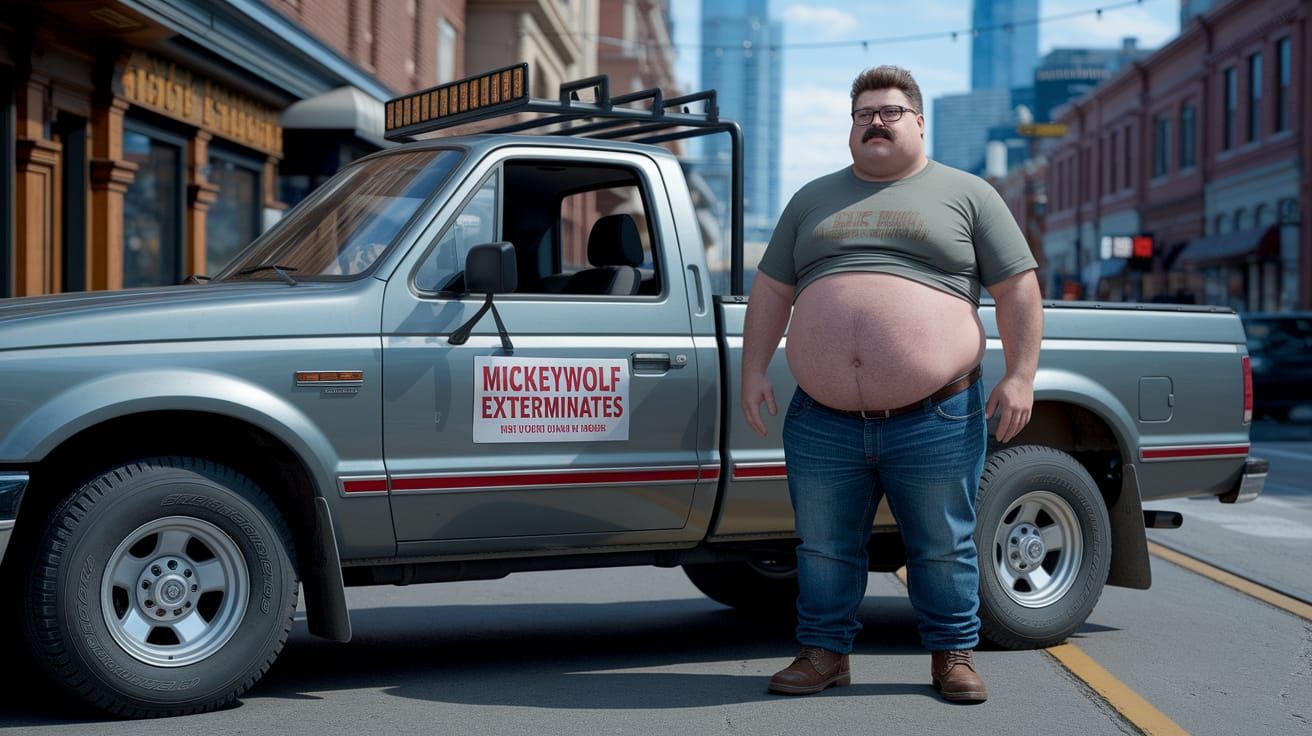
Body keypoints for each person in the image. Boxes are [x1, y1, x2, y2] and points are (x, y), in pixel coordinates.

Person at [740, 65, 1042, 704]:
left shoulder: (968, 194)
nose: (875, 121)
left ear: (920, 122)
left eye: (890, 111)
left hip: (935, 413)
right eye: (863, 114)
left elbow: (1017, 286)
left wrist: (1020, 376)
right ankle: (824, 654)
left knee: (943, 545)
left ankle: (952, 655)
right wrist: (752, 371)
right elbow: (771, 289)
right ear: (850, 127)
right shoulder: (812, 198)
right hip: (822, 415)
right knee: (822, 547)